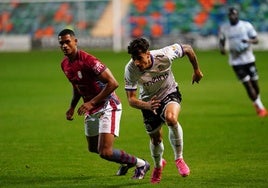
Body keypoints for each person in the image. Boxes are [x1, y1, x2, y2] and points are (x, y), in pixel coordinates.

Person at [58, 29, 150, 179]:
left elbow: (113, 83)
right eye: (61, 43)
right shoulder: (65, 65)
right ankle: (124, 161)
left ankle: (141, 164)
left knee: (105, 152)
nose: (64, 46)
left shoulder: (89, 61)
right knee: (93, 148)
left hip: (108, 106)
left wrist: (91, 102)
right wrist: (72, 107)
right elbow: (77, 86)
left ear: (75, 42)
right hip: (91, 109)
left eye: (67, 42)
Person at [124, 38, 203, 184]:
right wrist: (147, 105)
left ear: (148, 54)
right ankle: (158, 166)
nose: (136, 62)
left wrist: (196, 70)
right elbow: (131, 100)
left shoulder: (164, 55)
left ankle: (179, 158)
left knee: (171, 118)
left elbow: (188, 49)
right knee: (155, 139)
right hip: (148, 101)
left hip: (169, 93)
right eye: (134, 59)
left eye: (139, 58)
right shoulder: (131, 69)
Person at [219, 7, 267, 117]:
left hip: (249, 59)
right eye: (230, 15)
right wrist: (222, 49)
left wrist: (248, 41)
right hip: (236, 62)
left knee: (255, 84)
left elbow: (256, 40)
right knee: (247, 84)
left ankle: (256, 102)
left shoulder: (246, 26)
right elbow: (221, 41)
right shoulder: (225, 28)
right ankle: (261, 108)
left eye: (234, 14)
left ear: (237, 15)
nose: (232, 17)